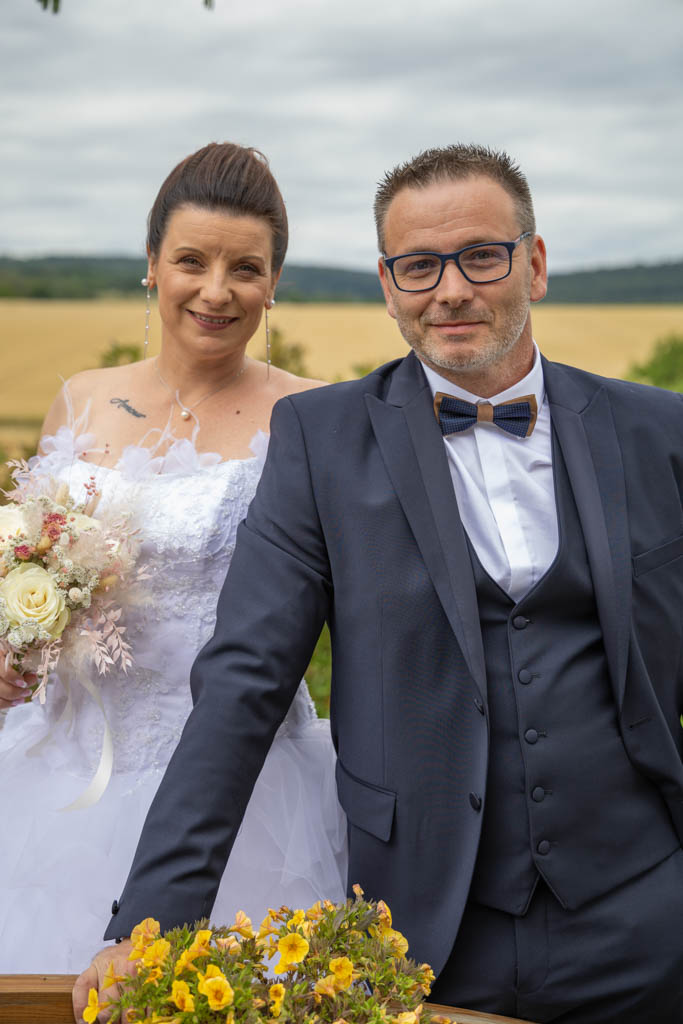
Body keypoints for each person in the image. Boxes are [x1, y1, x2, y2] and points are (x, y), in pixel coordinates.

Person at [76, 144, 683, 1024]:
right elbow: (244, 682)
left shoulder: (660, 432)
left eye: (481, 256)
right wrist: (154, 923)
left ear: (534, 265)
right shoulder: (320, 440)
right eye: (418, 266)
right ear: (387, 285)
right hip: (421, 935)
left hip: (647, 920)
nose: (450, 290)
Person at [0, 142, 347, 973]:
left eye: (246, 268)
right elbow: (29, 563)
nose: (216, 291)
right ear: (152, 263)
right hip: (57, 769)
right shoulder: (81, 398)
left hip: (243, 793)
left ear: (273, 282)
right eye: (192, 261)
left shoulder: (314, 418)